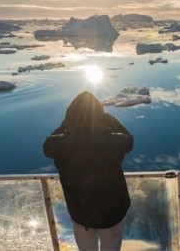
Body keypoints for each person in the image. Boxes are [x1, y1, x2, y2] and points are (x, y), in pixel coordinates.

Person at [44, 91, 133, 251]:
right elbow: (128, 140)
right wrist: (109, 120)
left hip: (81, 213)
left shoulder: (61, 144)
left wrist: (67, 125)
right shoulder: (111, 141)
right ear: (100, 115)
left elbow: (48, 145)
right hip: (112, 213)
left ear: (70, 116)